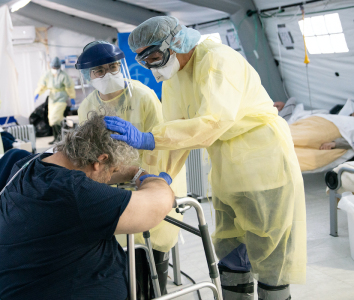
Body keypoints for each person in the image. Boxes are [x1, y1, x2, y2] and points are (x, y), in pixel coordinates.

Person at [105, 16, 306, 300]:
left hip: (265, 161)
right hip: (227, 167)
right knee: (231, 250)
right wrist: (165, 177)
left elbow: (213, 122)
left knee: (270, 254)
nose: (152, 67)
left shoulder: (219, 60)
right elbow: (179, 133)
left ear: (175, 43)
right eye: (144, 61)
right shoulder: (176, 77)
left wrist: (148, 138)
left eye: (154, 57)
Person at [0, 110, 175, 300]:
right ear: (100, 160)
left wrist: (133, 172)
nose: (111, 177)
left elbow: (93, 172)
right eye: (112, 170)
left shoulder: (28, 165)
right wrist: (154, 181)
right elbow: (157, 205)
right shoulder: (75, 193)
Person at [76, 41, 186, 296]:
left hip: (149, 181)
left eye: (112, 67)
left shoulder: (143, 96)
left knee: (150, 263)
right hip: (111, 188)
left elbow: (163, 144)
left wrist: (152, 178)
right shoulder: (86, 108)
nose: (108, 74)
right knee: (121, 265)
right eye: (99, 71)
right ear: (88, 76)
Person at [34, 57, 76, 144]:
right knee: (51, 118)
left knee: (56, 118)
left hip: (61, 98)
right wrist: (38, 93)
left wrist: (72, 97)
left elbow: (69, 87)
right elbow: (42, 85)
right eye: (54, 68)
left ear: (59, 67)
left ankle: (59, 138)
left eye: (56, 68)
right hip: (52, 99)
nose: (55, 69)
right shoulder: (48, 74)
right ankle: (56, 138)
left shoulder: (63, 75)